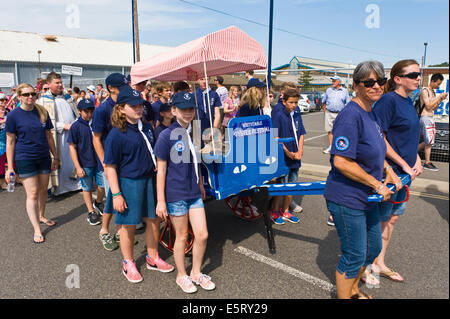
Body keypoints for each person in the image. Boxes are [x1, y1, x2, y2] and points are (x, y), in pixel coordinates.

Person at [324, 61, 400, 299]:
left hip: (366, 196)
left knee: (373, 248)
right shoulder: (350, 115)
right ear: (356, 86)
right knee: (354, 254)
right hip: (347, 197)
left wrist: (388, 169)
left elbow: (375, 149)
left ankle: (354, 290)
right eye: (369, 82)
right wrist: (377, 184)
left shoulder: (371, 112)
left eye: (380, 81)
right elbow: (342, 162)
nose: (376, 86)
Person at [104, 86, 174, 284]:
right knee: (128, 225)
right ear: (120, 109)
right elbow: (109, 166)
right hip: (128, 183)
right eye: (133, 106)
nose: (138, 109)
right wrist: (116, 194)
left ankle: (153, 257)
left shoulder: (147, 127)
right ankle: (128, 262)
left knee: (154, 220)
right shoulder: (116, 134)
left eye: (140, 105)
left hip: (149, 180)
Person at [368, 59, 423, 284]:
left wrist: (417, 159)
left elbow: (407, 137)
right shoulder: (388, 101)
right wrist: (401, 164)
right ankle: (367, 265)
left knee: (391, 220)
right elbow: (378, 137)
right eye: (413, 75)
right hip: (389, 173)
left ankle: (379, 262)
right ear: (398, 79)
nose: (418, 78)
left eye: (419, 74)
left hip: (406, 174)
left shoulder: (408, 101)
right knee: (379, 220)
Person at [154, 91, 215, 294]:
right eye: (183, 109)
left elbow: (196, 161)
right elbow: (160, 169)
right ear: (173, 110)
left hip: (194, 192)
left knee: (202, 234)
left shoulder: (194, 132)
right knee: (181, 236)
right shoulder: (165, 136)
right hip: (175, 194)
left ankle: (196, 272)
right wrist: (161, 201)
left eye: (191, 109)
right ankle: (182, 275)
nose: (188, 113)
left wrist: (199, 185)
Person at [5, 83, 59, 243]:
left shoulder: (42, 112)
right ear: (19, 96)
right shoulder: (13, 116)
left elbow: (49, 136)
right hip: (25, 158)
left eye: (33, 94)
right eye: (26, 94)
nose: (30, 97)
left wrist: (55, 156)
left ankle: (41, 216)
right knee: (33, 193)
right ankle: (37, 228)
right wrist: (10, 168)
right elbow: (10, 141)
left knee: (43, 190)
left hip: (43, 157)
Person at [92, 73, 129, 251]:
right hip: (109, 164)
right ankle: (104, 231)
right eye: (122, 86)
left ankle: (120, 232)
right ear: (111, 88)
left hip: (125, 163)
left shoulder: (126, 105)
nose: (126, 88)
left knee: (121, 200)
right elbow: (96, 139)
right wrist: (105, 164)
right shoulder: (102, 110)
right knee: (111, 201)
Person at [37, 72, 81, 196]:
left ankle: (75, 184)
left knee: (72, 159)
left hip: (72, 134)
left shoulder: (67, 97)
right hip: (57, 137)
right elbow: (44, 123)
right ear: (49, 84)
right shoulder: (43, 101)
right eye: (57, 83)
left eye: (61, 82)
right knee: (61, 160)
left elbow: (76, 113)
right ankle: (60, 187)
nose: (60, 85)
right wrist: (63, 126)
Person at [270, 88, 306, 225]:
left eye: (296, 102)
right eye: (291, 102)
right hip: (284, 155)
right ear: (284, 101)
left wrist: (300, 151)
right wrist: (287, 152)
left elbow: (301, 132)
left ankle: (285, 210)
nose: (294, 105)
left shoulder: (296, 113)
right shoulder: (278, 114)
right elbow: (275, 136)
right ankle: (275, 210)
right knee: (281, 185)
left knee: (292, 184)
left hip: (296, 155)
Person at [68, 99, 105, 226]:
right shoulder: (75, 126)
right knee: (87, 188)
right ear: (79, 111)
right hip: (85, 163)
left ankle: (98, 203)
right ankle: (91, 212)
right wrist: (78, 166)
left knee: (103, 186)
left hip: (100, 161)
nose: (89, 114)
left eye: (92, 110)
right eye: (86, 111)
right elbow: (72, 147)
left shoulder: (97, 123)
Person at [417, 73, 447, 171]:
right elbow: (428, 106)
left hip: (429, 117)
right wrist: (438, 98)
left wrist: (440, 100)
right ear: (433, 81)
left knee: (427, 140)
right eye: (438, 83)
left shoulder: (433, 92)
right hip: (425, 117)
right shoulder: (425, 91)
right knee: (429, 141)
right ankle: (427, 162)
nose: (438, 86)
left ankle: (411, 153)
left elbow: (433, 107)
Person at [321, 76, 351, 154]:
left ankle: (339, 147)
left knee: (340, 130)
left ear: (339, 82)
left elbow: (347, 104)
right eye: (332, 81)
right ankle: (331, 146)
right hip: (329, 113)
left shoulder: (345, 91)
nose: (332, 82)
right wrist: (325, 112)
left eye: (334, 81)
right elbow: (323, 102)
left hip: (340, 114)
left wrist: (345, 115)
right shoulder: (328, 90)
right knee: (329, 130)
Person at [0, 93, 10, 189]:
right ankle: (2, 182)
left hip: (9, 138)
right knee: (1, 161)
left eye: (5, 100)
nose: (3, 102)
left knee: (12, 159)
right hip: (0, 141)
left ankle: (16, 177)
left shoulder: (8, 111)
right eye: (1, 100)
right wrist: (3, 121)